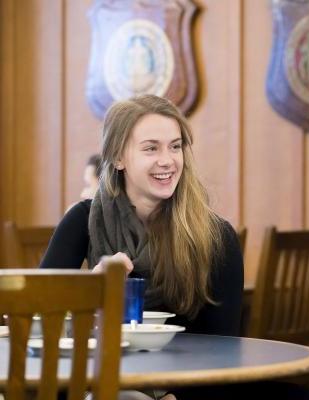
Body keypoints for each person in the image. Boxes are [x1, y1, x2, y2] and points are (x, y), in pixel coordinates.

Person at [41, 94, 243, 337]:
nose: (167, 161)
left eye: (175, 146)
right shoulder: (82, 220)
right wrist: (89, 290)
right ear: (117, 158)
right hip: (104, 372)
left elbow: (225, 347)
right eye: (151, 148)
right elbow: (37, 315)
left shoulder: (217, 237)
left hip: (188, 373)